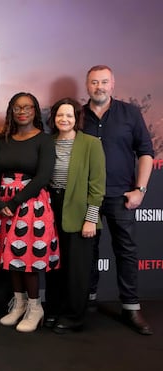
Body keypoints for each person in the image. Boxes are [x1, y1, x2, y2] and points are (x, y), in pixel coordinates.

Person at [82, 65, 154, 335]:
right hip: (86, 197)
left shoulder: (130, 113)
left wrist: (141, 190)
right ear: (86, 85)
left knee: (126, 251)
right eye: (93, 82)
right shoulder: (78, 115)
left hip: (120, 195)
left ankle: (131, 308)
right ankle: (86, 303)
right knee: (87, 252)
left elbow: (146, 152)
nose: (98, 87)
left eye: (104, 82)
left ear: (112, 85)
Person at [0, 92, 59, 333]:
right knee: (11, 256)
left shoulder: (45, 140)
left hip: (29, 205)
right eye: (17, 108)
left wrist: (15, 202)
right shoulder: (4, 138)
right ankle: (19, 303)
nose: (22, 111)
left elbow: (43, 177)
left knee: (28, 258)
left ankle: (36, 308)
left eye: (27, 107)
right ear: (11, 111)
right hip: (3, 205)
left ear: (35, 111)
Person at [44, 98, 105, 333]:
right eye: (60, 115)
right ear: (54, 117)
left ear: (77, 118)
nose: (64, 119)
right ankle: (53, 310)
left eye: (69, 115)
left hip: (80, 211)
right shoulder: (48, 142)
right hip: (51, 208)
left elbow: (97, 185)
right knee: (54, 266)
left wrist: (91, 218)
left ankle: (74, 316)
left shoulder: (91, 144)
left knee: (77, 269)